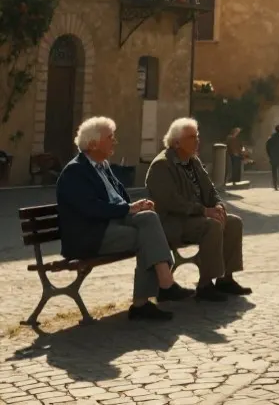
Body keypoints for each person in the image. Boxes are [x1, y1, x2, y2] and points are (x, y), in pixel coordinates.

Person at [55, 116, 192, 321]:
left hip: (112, 224)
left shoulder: (103, 165)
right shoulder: (75, 171)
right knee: (146, 237)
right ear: (93, 143)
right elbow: (91, 208)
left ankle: (161, 286)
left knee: (148, 218)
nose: (114, 141)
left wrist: (137, 207)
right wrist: (129, 209)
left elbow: (119, 199)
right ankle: (151, 295)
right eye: (110, 137)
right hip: (90, 235)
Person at [147, 118, 253, 302]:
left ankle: (225, 278)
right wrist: (203, 211)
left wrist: (218, 205)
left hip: (193, 218)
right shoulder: (162, 165)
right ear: (177, 142)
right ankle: (205, 284)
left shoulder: (193, 161)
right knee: (210, 226)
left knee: (233, 221)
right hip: (171, 222)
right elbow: (171, 202)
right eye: (191, 137)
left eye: (197, 136)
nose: (197, 141)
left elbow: (210, 190)